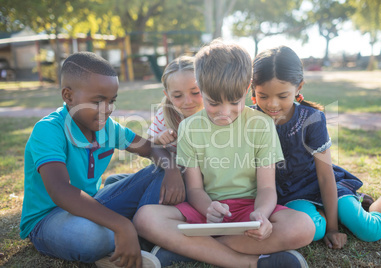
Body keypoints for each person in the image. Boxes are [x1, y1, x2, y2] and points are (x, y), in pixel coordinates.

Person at [133, 40, 315, 268]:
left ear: (247, 89)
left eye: (234, 102)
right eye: (213, 103)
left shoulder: (262, 124)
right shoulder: (189, 127)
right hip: (205, 211)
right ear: (201, 87)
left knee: (303, 226)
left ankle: (189, 249)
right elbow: (195, 188)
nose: (224, 112)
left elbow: (267, 188)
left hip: (249, 209)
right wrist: (208, 208)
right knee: (145, 218)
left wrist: (261, 214)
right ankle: (246, 263)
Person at [19, 51, 184, 268]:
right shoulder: (49, 130)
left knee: (162, 169)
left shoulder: (108, 128)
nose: (107, 110)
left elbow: (152, 149)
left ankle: (145, 236)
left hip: (93, 203)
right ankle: (130, 236)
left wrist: (171, 170)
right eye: (98, 101)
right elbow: (60, 191)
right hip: (48, 219)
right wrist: (121, 225)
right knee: (94, 239)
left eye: (111, 101)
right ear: (68, 96)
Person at [250, 45, 381, 249]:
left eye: (282, 96)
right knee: (315, 230)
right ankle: (330, 210)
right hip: (290, 195)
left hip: (323, 185)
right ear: (253, 89)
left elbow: (324, 175)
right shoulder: (249, 119)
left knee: (369, 230)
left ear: (298, 88)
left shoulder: (311, 119)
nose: (272, 104)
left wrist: (333, 229)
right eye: (263, 96)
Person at [104, 56, 204, 203]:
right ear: (167, 95)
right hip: (169, 174)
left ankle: (142, 214)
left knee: (156, 178)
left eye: (195, 92)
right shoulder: (166, 115)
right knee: (112, 180)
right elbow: (149, 146)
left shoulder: (210, 116)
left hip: (192, 185)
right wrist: (158, 139)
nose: (188, 101)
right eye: (177, 95)